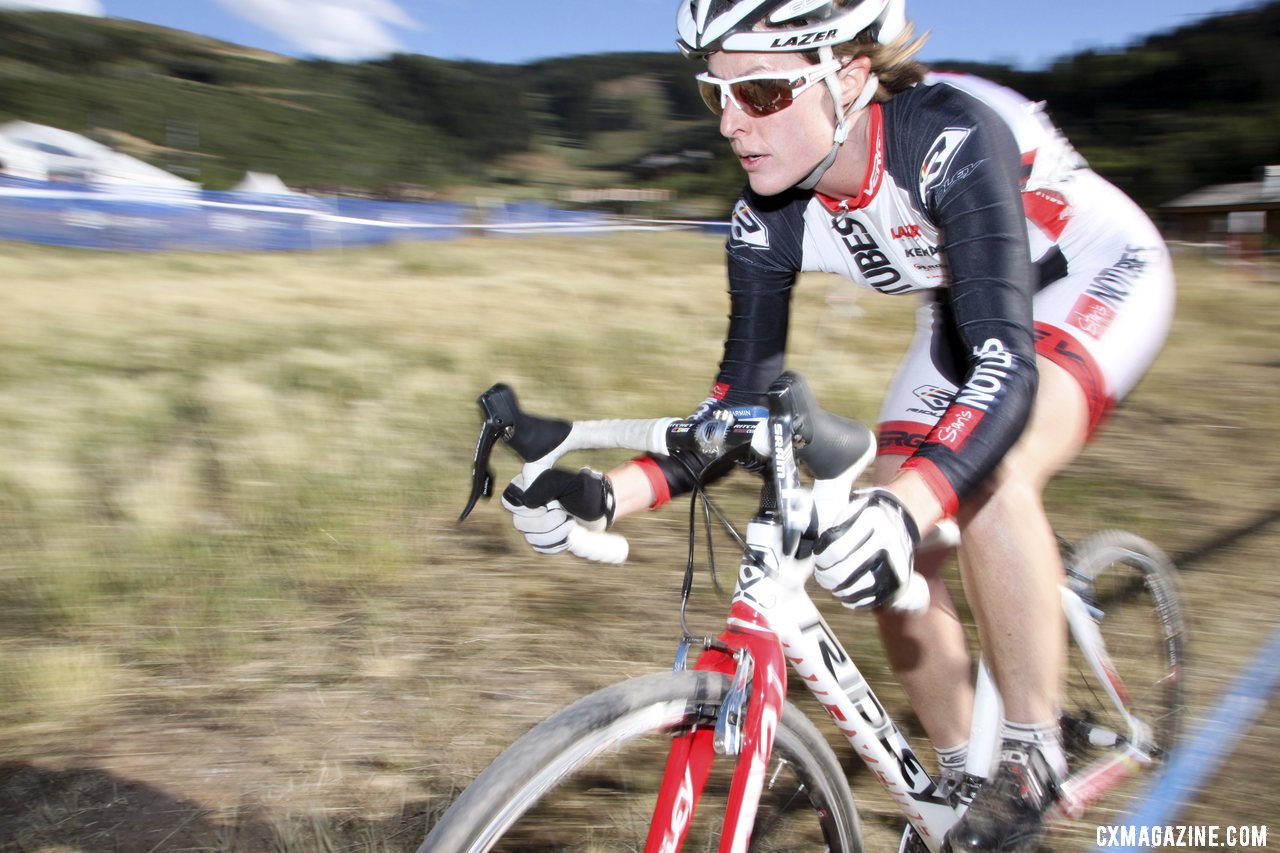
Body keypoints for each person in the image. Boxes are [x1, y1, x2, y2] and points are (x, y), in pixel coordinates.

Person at [502, 0, 1175, 850]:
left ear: (849, 76)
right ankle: (965, 782)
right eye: (718, 95)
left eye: (766, 92)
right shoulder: (766, 215)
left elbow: (1005, 363)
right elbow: (736, 412)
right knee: (891, 549)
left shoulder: (947, 136)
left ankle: (1031, 757)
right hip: (963, 305)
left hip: (1092, 278)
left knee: (983, 482)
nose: (733, 126)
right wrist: (608, 492)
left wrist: (909, 506)